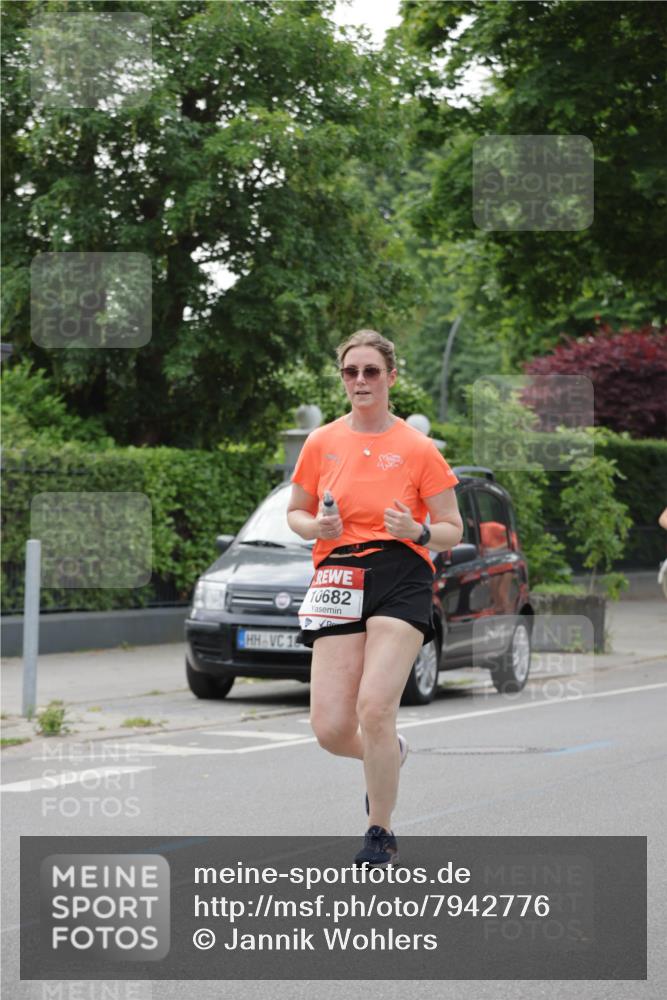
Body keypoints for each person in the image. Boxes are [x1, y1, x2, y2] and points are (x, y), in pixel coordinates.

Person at [286, 329, 463, 865]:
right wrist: (317, 526)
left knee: (375, 708)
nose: (360, 380)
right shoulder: (321, 442)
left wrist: (418, 530)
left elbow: (452, 527)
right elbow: (295, 513)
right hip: (338, 574)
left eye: (370, 371)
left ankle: (379, 831)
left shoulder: (417, 447)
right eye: (350, 371)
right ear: (342, 378)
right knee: (330, 729)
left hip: (401, 573)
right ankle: (390, 754)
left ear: (391, 377)